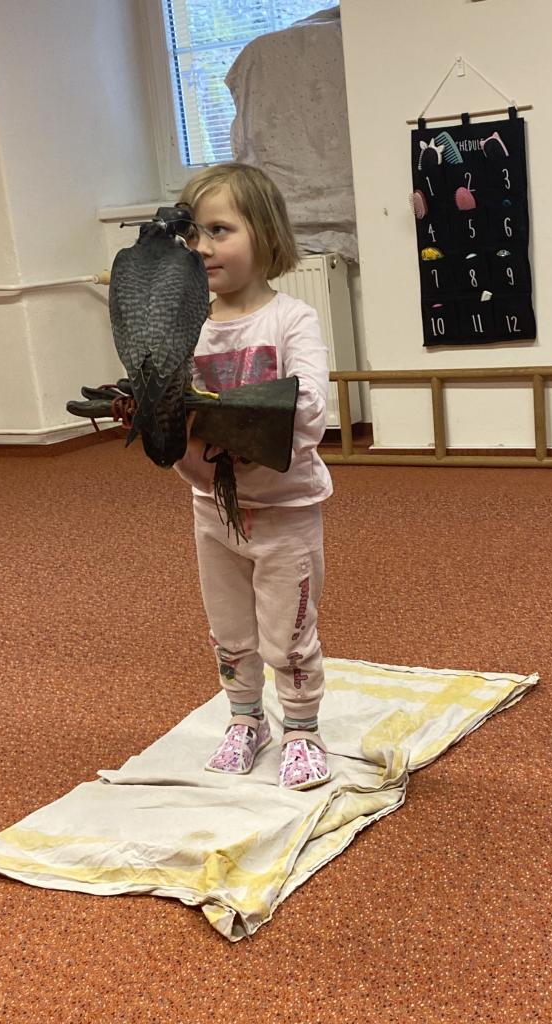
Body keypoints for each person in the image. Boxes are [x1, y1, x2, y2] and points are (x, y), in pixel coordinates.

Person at [174, 162, 333, 791]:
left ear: (264, 234)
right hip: (211, 508)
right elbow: (173, 412)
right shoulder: (188, 325)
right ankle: (246, 719)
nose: (202, 246)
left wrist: (216, 417)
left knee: (287, 631)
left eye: (219, 230)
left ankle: (302, 729)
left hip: (284, 511)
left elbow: (309, 410)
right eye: (192, 233)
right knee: (229, 629)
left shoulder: (292, 320)